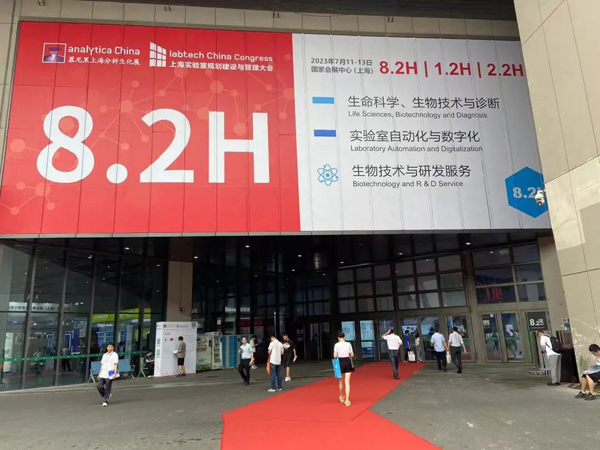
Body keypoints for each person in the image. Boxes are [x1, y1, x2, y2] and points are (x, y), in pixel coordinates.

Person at [334, 331, 354, 407]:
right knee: (347, 382)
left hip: (340, 362)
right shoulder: (348, 344)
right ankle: (347, 400)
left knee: (341, 382)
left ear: (338, 338)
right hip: (347, 362)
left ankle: (342, 396)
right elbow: (352, 354)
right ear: (344, 337)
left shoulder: (336, 345)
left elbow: (335, 355)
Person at [96, 342, 118, 407]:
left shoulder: (115, 355)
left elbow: (115, 364)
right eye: (109, 347)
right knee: (99, 386)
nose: (110, 348)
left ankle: (105, 400)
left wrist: (115, 373)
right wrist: (99, 373)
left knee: (108, 386)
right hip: (103, 373)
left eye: (111, 347)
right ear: (107, 348)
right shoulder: (104, 355)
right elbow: (102, 364)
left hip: (110, 372)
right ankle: (106, 395)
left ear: (113, 348)